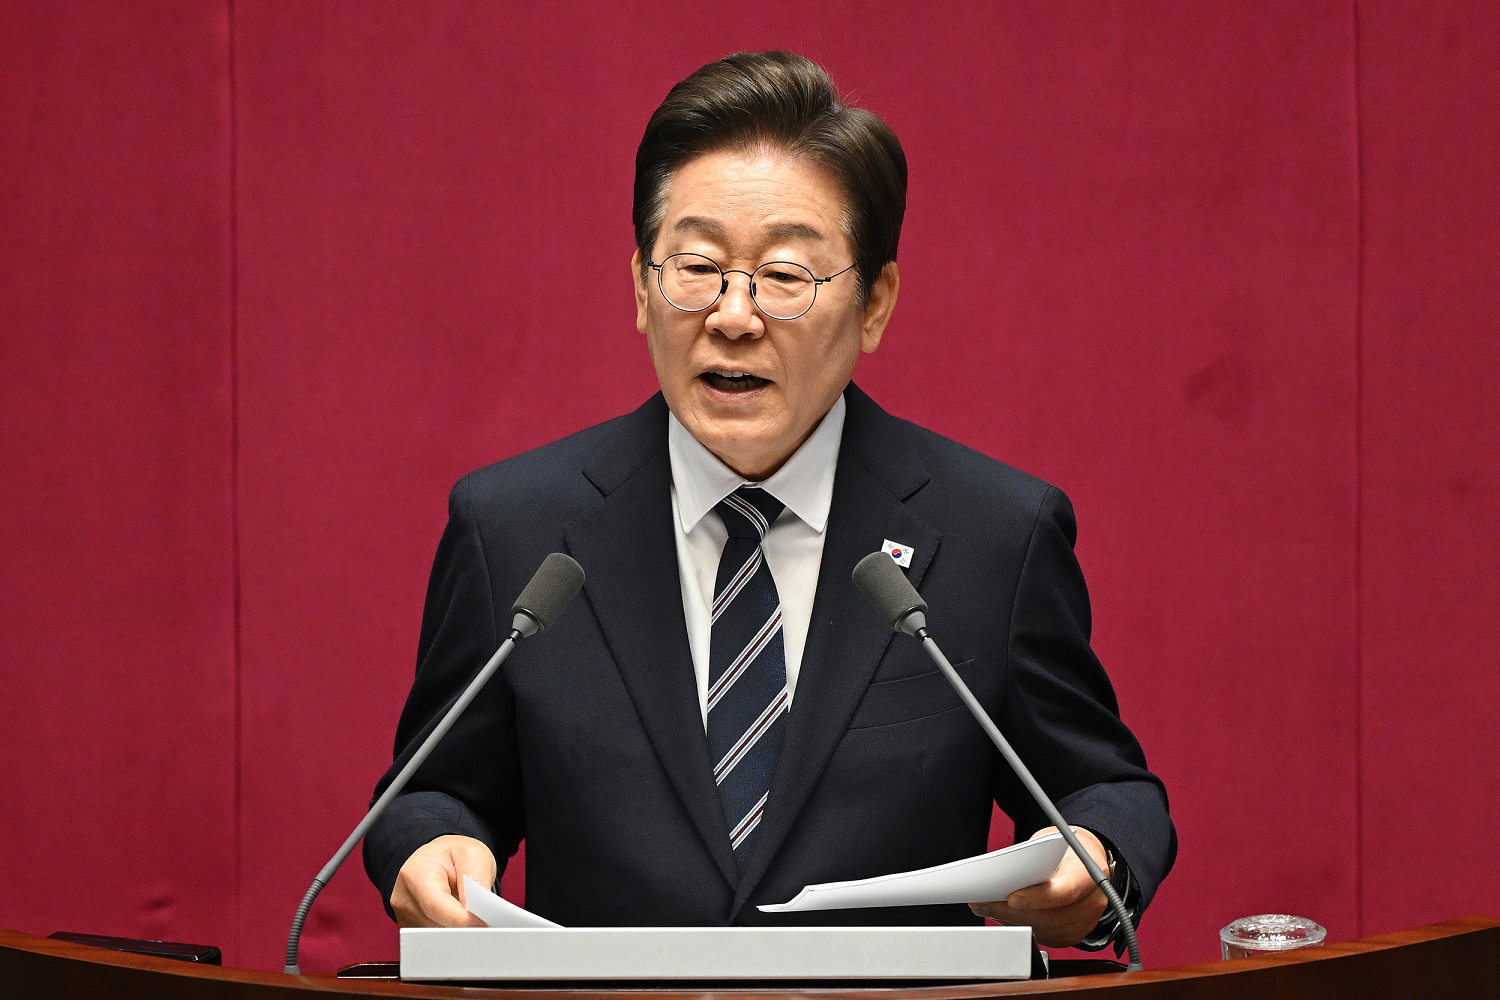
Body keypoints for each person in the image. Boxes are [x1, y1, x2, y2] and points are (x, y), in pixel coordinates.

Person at [363, 51, 1175, 951]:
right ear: (641, 285)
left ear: (874, 305)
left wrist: (1096, 858)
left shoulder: (994, 534)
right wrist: (430, 842)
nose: (733, 315)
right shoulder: (513, 525)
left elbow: (1108, 792)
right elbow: (433, 790)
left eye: (787, 277)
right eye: (697, 266)